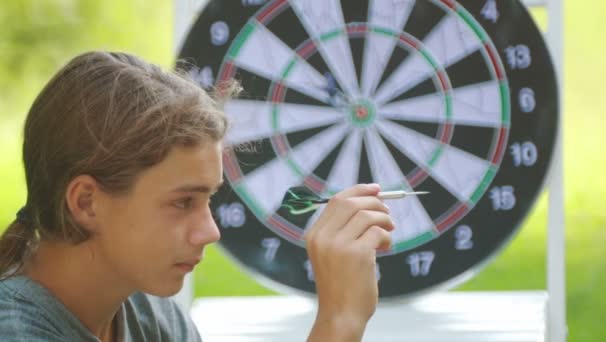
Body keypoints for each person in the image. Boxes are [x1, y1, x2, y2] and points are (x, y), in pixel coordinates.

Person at [0, 51, 394, 341]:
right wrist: (339, 321)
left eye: (209, 200)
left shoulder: (149, 315)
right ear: (86, 202)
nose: (210, 232)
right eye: (182, 202)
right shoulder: (16, 331)